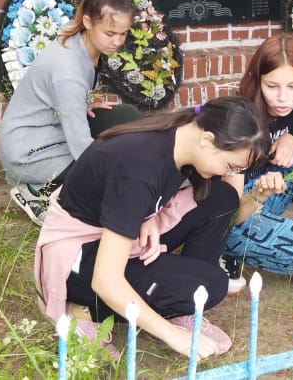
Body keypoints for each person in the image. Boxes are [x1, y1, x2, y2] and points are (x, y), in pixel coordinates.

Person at [33, 97, 274, 358]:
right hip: (76, 262)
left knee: (222, 198)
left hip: (113, 232)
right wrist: (171, 335)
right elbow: (105, 279)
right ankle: (80, 310)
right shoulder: (138, 169)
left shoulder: (176, 137)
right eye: (229, 166)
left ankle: (180, 304)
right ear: (207, 139)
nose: (228, 172)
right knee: (212, 284)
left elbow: (117, 191)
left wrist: (147, 216)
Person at [0, 0, 144, 225]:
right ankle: (37, 191)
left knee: (127, 118)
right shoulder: (68, 69)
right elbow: (82, 149)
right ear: (88, 22)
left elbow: (57, 98)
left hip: (51, 130)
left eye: (122, 34)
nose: (117, 42)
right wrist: (124, 172)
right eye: (110, 34)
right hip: (26, 153)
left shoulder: (85, 43)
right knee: (107, 168)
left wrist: (79, 106)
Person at [222, 34, 293, 299]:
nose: (283, 97)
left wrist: (291, 138)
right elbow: (226, 206)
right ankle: (226, 250)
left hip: (268, 196)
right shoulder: (240, 119)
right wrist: (259, 192)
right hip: (234, 213)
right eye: (272, 86)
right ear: (257, 80)